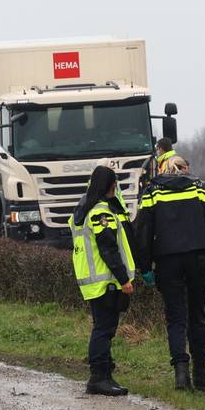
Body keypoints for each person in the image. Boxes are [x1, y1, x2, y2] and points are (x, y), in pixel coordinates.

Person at [135, 155, 205, 390]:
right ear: (184, 169)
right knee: (197, 316)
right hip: (199, 259)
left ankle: (181, 374)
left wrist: (144, 267)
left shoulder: (153, 192)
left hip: (167, 261)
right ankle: (201, 376)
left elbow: (143, 231)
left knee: (175, 318)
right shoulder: (200, 187)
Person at [70, 165, 136, 396]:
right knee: (104, 330)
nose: (115, 187)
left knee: (103, 328)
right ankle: (98, 377)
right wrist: (123, 279)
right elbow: (108, 249)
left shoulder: (82, 209)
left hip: (92, 281)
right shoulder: (101, 213)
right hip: (105, 280)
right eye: (114, 184)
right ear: (109, 186)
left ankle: (105, 375)